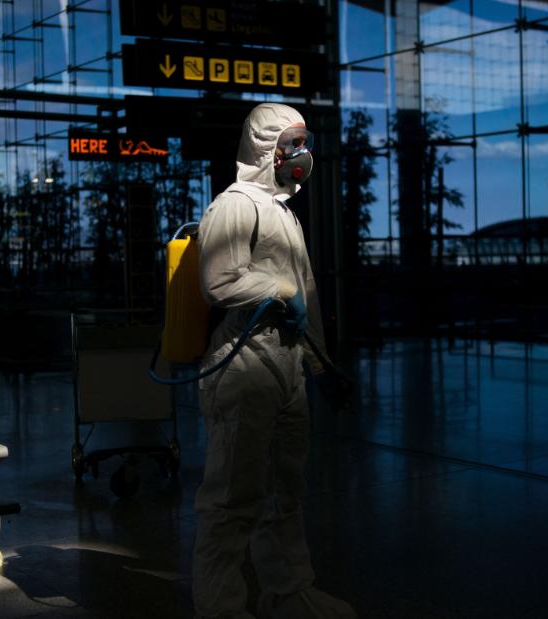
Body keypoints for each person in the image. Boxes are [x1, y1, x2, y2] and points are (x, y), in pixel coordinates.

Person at [192, 103, 356, 619]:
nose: (302, 153)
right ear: (266, 148)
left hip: (284, 365)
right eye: (293, 142)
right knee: (232, 498)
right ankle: (222, 608)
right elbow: (218, 280)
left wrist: (320, 366)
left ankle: (289, 593)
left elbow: (305, 295)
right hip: (242, 363)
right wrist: (280, 289)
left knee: (285, 492)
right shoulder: (235, 204)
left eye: (304, 141)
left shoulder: (283, 211)